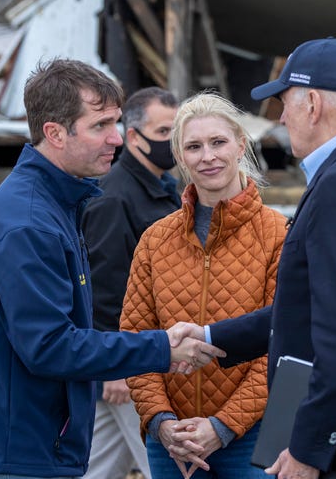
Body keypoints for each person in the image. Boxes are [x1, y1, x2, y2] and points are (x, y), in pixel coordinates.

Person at [0, 58, 226, 479]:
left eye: (116, 122)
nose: (116, 138)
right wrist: (161, 349)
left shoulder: (60, 203)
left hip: (33, 442)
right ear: (54, 133)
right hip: (12, 452)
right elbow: (49, 346)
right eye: (99, 126)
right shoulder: (27, 224)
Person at [168, 38, 336, 479]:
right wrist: (212, 335)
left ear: (312, 102)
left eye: (284, 103)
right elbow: (311, 310)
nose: (281, 118)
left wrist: (308, 450)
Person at [120, 91, 286, 479]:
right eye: (193, 146)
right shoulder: (155, 240)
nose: (207, 156)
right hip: (171, 443)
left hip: (250, 437)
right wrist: (161, 422)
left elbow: (283, 342)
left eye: (218, 142)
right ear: (180, 156)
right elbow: (135, 337)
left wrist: (222, 426)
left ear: (241, 144)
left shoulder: (279, 234)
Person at [81, 86, 181, 479]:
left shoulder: (162, 188)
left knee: (99, 463)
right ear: (134, 136)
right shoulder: (115, 198)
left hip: (150, 350)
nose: (172, 143)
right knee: (166, 463)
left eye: (177, 130)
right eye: (163, 133)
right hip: (131, 361)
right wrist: (112, 367)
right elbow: (104, 287)